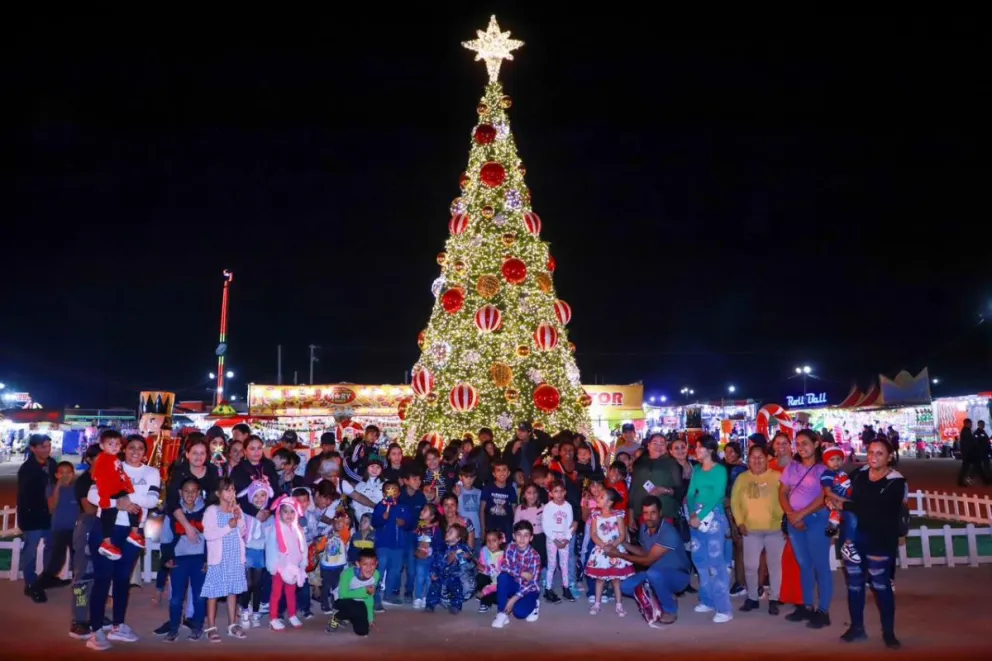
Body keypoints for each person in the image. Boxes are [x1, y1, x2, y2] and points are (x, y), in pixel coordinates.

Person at [826, 438, 906, 649]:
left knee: (881, 586)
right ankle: (857, 628)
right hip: (854, 540)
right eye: (870, 452)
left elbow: (880, 510)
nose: (873, 457)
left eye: (879, 453)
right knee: (854, 585)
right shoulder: (858, 474)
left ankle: (889, 632)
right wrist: (835, 501)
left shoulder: (896, 481)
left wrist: (846, 504)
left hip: (880, 540)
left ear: (890, 457)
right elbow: (846, 495)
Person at [86, 434, 161, 649]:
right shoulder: (111, 464)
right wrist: (115, 503)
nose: (136, 452)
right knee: (102, 579)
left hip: (132, 533)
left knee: (122, 579)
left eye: (140, 448)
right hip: (106, 529)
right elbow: (92, 494)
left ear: (145, 452)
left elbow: (152, 500)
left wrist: (127, 500)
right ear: (123, 450)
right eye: (131, 448)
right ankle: (96, 630)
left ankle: (118, 625)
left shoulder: (152, 473)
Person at [779, 429, 831, 629]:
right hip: (795, 521)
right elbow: (782, 492)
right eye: (798, 444)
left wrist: (800, 514)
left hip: (817, 519)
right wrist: (791, 514)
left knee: (820, 566)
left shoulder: (824, 468)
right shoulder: (791, 467)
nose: (801, 448)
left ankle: (823, 610)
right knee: (804, 565)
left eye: (805, 443)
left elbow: (824, 497)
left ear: (816, 444)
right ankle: (807, 606)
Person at [611, 495, 691, 624]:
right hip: (656, 572)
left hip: (679, 576)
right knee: (625, 586)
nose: (649, 517)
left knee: (653, 574)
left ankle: (670, 609)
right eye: (645, 513)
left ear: (660, 513)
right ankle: (663, 595)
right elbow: (644, 551)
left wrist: (619, 555)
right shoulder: (644, 528)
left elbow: (648, 560)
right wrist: (625, 544)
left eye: (653, 513)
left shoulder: (668, 532)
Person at [731, 445, 785, 614]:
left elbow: (787, 498)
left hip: (775, 529)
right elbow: (735, 502)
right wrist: (740, 522)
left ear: (767, 458)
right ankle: (752, 597)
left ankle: (774, 598)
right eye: (753, 457)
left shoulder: (778, 477)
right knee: (750, 565)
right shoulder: (742, 478)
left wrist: (784, 519)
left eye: (760, 456)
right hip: (750, 530)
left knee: (775, 565)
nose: (757, 460)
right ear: (748, 460)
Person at [685, 435, 732, 623]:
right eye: (696, 447)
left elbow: (718, 495)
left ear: (710, 450)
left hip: (714, 518)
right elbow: (689, 494)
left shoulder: (720, 470)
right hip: (695, 517)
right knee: (699, 559)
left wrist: (700, 516)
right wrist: (691, 515)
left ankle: (724, 608)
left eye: (699, 447)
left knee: (716, 562)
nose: (696, 450)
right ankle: (707, 600)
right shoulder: (696, 469)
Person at [201, 478, 248, 641]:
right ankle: (211, 627)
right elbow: (208, 535)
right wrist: (229, 526)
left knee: (232, 591)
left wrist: (239, 518)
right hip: (219, 559)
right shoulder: (211, 511)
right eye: (227, 490)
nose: (231, 493)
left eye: (233, 490)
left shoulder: (236, 509)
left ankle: (232, 624)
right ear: (218, 493)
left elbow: (242, 532)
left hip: (235, 556)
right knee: (213, 592)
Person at [162, 478, 207, 642]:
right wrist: (167, 558)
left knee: (199, 597)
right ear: (180, 492)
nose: (190, 494)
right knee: (176, 598)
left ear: (198, 493)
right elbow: (166, 538)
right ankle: (173, 628)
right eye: (186, 491)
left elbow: (211, 538)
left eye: (194, 491)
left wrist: (208, 559)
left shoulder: (205, 512)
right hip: (179, 560)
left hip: (199, 559)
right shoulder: (174, 513)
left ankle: (197, 626)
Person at [90, 429, 144, 560]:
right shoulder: (103, 459)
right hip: (110, 492)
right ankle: (107, 543)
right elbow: (100, 479)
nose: (114, 447)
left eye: (117, 444)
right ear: (102, 446)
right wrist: (105, 499)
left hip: (117, 490)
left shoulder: (114, 459)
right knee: (108, 518)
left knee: (135, 510)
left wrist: (129, 489)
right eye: (110, 444)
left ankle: (134, 533)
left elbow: (121, 475)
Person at [586, 488, 634, 616]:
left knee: (615, 579)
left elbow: (622, 534)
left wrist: (612, 546)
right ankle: (597, 603)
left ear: (609, 502)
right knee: (600, 579)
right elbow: (594, 534)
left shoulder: (618, 515)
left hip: (615, 550)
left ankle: (619, 604)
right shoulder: (595, 515)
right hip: (601, 550)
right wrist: (603, 546)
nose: (597, 498)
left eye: (601, 497)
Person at [32, 460, 77, 595]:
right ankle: (37, 586)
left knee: (78, 559)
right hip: (59, 529)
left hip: (75, 529)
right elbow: (52, 507)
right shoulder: (51, 488)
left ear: (73, 474)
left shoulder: (77, 488)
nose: (65, 475)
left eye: (68, 472)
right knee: (57, 559)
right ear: (56, 475)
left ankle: (79, 586)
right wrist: (58, 486)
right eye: (61, 473)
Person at [265, 495, 307, 630]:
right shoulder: (275, 530)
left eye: (292, 511)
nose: (289, 515)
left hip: (293, 566)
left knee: (291, 592)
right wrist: (274, 566)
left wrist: (303, 563)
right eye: (285, 511)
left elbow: (303, 547)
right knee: (276, 593)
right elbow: (271, 548)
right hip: (280, 567)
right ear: (279, 512)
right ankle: (273, 617)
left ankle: (292, 614)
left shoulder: (298, 529)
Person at [490, 520, 541, 628]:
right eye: (519, 535)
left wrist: (514, 598)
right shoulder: (510, 548)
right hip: (516, 583)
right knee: (502, 577)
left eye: (526, 536)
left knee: (519, 613)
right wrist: (521, 573)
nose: (522, 539)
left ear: (531, 538)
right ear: (513, 536)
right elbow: (504, 567)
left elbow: (532, 583)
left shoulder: (535, 556)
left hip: (529, 589)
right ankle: (502, 613)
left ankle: (535, 604)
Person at [238, 478, 274, 629]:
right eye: (256, 496)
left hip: (261, 552)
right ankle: (244, 609)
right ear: (250, 496)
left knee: (258, 584)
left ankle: (256, 612)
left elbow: (271, 537)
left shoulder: (269, 516)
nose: (260, 499)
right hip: (247, 550)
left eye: (263, 495)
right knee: (248, 583)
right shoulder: (246, 513)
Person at [628, 433, 682, 530]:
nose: (658, 446)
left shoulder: (672, 463)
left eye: (662, 443)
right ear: (648, 445)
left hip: (665, 512)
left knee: (663, 543)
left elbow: (680, 491)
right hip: (642, 513)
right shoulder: (640, 463)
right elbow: (633, 490)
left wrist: (665, 490)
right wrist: (631, 516)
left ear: (666, 446)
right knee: (647, 543)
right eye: (655, 443)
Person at [371, 480, 411, 606]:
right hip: (383, 545)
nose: (391, 492)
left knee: (395, 571)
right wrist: (382, 518)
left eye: (394, 489)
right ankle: (375, 596)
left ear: (398, 493)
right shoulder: (380, 507)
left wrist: (404, 523)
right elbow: (374, 523)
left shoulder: (403, 507)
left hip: (398, 546)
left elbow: (411, 524)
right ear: (384, 493)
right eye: (388, 489)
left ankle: (388, 595)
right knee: (380, 570)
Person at [326, 549, 379, 637]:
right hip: (341, 600)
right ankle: (337, 617)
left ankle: (350, 617)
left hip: (361, 603)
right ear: (358, 564)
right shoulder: (348, 574)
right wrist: (364, 591)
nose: (369, 568)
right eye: (365, 564)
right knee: (355, 607)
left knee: (362, 631)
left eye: (372, 564)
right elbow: (343, 594)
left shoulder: (376, 575)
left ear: (376, 564)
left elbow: (369, 597)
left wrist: (370, 618)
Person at [821, 446, 859, 564]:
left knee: (851, 521)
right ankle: (848, 545)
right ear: (826, 461)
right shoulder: (827, 474)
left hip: (846, 502)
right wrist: (842, 500)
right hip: (839, 502)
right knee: (852, 519)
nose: (836, 462)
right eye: (832, 460)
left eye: (838, 459)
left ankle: (834, 525)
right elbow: (828, 491)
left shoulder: (842, 472)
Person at [426, 522, 473, 613]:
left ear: (458, 538)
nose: (447, 533)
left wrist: (458, 555)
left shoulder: (461, 548)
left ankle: (456, 605)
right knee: (434, 587)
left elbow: (469, 556)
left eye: (451, 532)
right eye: (447, 531)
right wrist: (433, 572)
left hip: (454, 576)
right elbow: (434, 561)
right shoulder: (441, 547)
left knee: (457, 587)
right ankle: (430, 605)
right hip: (441, 575)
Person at [541, 481, 575, 603]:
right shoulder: (548, 507)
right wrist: (554, 539)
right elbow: (545, 526)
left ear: (565, 492)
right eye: (556, 491)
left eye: (561, 491)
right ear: (551, 493)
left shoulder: (568, 506)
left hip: (564, 538)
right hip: (552, 538)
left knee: (564, 564)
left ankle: (566, 588)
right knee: (552, 564)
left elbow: (570, 524)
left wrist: (567, 538)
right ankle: (548, 589)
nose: (559, 494)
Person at [513, 484, 548, 601]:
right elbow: (516, 526)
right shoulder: (520, 509)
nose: (532, 496)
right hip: (527, 540)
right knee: (528, 561)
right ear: (524, 495)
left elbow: (547, 523)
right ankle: (528, 582)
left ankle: (542, 580)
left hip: (540, 537)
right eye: (529, 493)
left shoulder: (542, 507)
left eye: (534, 493)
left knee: (542, 559)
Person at [318, 511, 351, 615]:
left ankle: (335, 602)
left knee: (336, 586)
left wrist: (344, 523)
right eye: (338, 522)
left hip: (339, 565)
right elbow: (319, 548)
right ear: (333, 522)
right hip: (327, 566)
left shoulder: (344, 536)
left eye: (343, 523)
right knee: (326, 585)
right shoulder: (328, 533)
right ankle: (324, 604)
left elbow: (346, 533)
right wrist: (325, 538)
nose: (340, 524)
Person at [411, 503, 442, 609]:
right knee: (419, 577)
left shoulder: (436, 529)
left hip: (431, 559)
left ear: (432, 516)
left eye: (425, 510)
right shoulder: (418, 527)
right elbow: (414, 540)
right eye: (422, 509)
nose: (421, 511)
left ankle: (427, 597)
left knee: (429, 578)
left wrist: (431, 550)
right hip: (420, 558)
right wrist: (416, 551)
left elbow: (439, 544)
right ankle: (418, 597)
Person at [480, 459, 517, 544]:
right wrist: (483, 530)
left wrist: (515, 529)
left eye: (504, 469)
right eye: (498, 470)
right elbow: (482, 509)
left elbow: (514, 510)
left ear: (508, 473)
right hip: (491, 527)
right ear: (494, 474)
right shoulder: (487, 488)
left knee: (505, 552)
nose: (502, 473)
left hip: (507, 529)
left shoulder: (511, 489)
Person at [475, 529, 504, 613]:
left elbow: (499, 579)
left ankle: (486, 597)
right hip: (489, 578)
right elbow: (484, 568)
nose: (491, 544)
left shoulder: (503, 556)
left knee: (500, 598)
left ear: (500, 541)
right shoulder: (484, 551)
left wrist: (485, 591)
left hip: (498, 583)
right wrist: (482, 568)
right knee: (480, 578)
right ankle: (485, 601)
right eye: (488, 541)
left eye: (494, 540)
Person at [958, 419, 991, 486]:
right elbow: (969, 443)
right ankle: (984, 481)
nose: (971, 425)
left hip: (969, 453)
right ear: (967, 424)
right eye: (970, 423)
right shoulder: (966, 432)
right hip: (970, 453)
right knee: (971, 468)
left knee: (976, 467)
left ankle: (985, 481)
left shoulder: (967, 431)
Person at [456, 464, 482, 549]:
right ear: (461, 477)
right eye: (466, 477)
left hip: (477, 532)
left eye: (471, 477)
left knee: (476, 558)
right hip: (461, 532)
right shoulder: (457, 491)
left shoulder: (479, 492)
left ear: (475, 478)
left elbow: (480, 512)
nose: (469, 480)